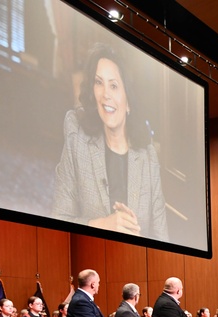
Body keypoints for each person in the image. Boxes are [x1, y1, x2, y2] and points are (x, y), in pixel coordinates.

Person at [51, 43, 167, 242]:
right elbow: (58, 219)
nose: (105, 94)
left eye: (113, 85)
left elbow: (161, 238)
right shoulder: (77, 137)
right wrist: (104, 224)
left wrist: (134, 232)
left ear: (129, 101)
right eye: (98, 83)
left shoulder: (148, 156)